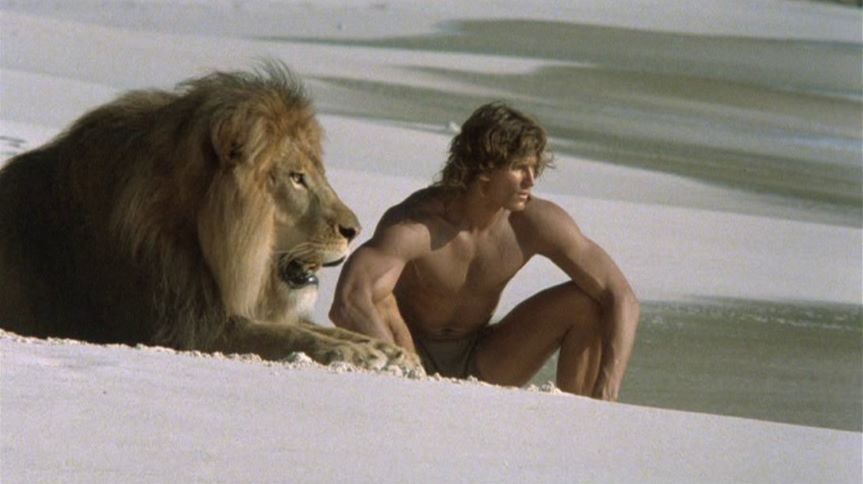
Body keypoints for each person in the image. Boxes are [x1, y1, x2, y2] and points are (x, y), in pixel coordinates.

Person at [329, 102, 639, 400]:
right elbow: (348, 302)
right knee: (377, 294)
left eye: (534, 167)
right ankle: (401, 389)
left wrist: (608, 389)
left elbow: (622, 296)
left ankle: (584, 415)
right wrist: (400, 367)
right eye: (519, 168)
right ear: (483, 169)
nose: (531, 180)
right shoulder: (418, 225)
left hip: (483, 358)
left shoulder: (533, 222)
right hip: (409, 350)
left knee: (585, 302)